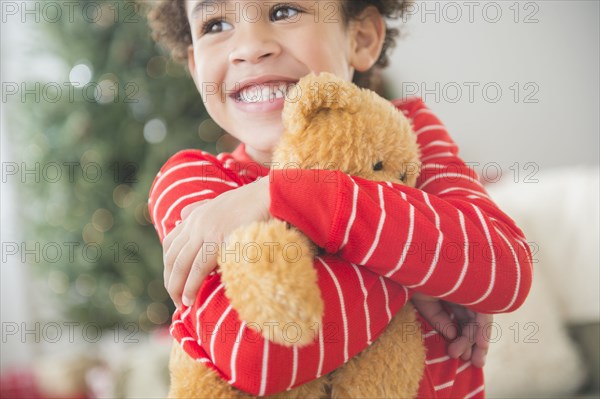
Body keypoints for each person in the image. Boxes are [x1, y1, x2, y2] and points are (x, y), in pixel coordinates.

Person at [145, 0, 533, 397]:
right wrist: (416, 270)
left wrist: (286, 194)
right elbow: (260, 355)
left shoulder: (409, 138)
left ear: (361, 38)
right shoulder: (194, 184)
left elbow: (505, 271)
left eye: (283, 12)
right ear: (195, 68)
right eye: (215, 24)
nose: (249, 47)